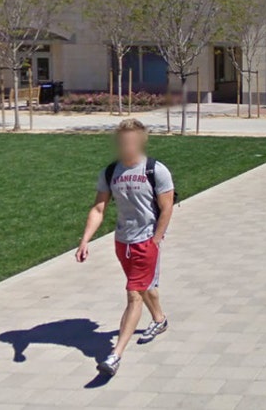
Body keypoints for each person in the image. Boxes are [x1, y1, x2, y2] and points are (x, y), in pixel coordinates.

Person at [76, 119, 176, 377]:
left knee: (133, 293)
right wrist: (85, 239)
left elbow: (167, 207)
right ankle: (160, 320)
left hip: (146, 242)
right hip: (122, 242)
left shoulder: (156, 170)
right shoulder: (110, 172)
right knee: (144, 287)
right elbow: (99, 208)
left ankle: (115, 355)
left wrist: (155, 239)